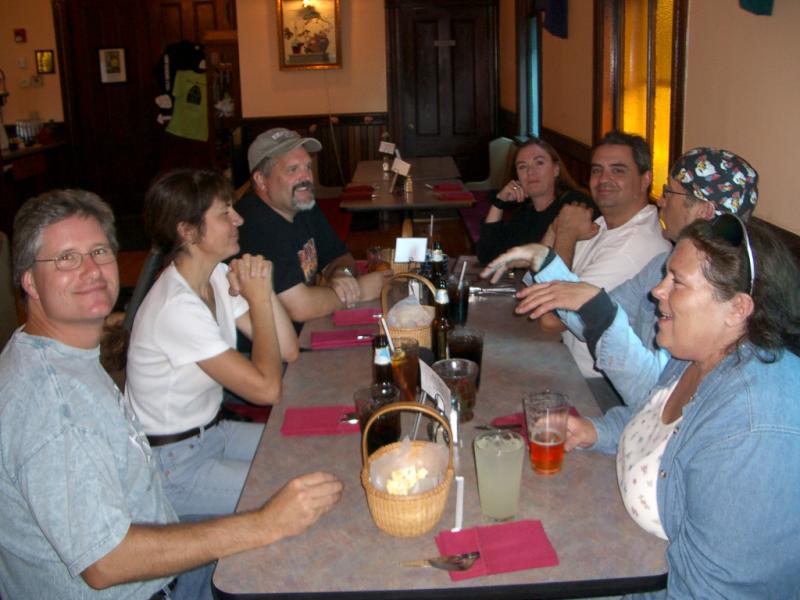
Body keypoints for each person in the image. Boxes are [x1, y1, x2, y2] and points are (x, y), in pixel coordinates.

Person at [0, 190, 341, 599]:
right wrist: (264, 523)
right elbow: (106, 561)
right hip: (145, 588)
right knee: (313, 542)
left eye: (99, 252)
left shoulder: (65, 359)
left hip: (169, 554)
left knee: (314, 488)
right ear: (29, 282)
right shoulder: (53, 404)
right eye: (66, 259)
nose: (91, 270)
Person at [564, 217, 799, 597]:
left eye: (677, 281)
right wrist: (595, 431)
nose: (657, 290)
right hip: (616, 551)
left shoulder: (752, 428)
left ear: (737, 308)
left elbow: (712, 592)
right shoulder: (697, 355)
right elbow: (655, 424)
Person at [488, 148, 759, 407]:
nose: (661, 201)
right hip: (633, 406)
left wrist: (590, 301)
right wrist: (543, 259)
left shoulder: (714, 296)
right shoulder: (658, 266)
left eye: (669, 192)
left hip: (620, 395)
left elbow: (653, 394)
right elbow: (587, 321)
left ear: (704, 211)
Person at [126, 169, 299, 518]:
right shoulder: (176, 308)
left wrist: (262, 287)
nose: (238, 219)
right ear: (187, 231)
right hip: (172, 464)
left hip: (213, 432)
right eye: (224, 213)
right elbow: (267, 390)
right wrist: (258, 301)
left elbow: (288, 349)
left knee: (302, 450)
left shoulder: (216, 275)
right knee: (286, 492)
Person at [237, 127, 392, 328]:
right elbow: (299, 307)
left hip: (311, 327)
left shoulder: (300, 204)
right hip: (274, 344)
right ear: (261, 180)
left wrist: (342, 274)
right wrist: (359, 290)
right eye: (293, 169)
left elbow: (339, 256)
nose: (306, 178)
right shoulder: (254, 224)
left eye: (308, 167)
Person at [475, 136, 596, 265]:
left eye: (539, 163)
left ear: (556, 169)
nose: (530, 172)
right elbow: (487, 255)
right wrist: (499, 202)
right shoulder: (525, 212)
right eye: (522, 167)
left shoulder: (575, 204)